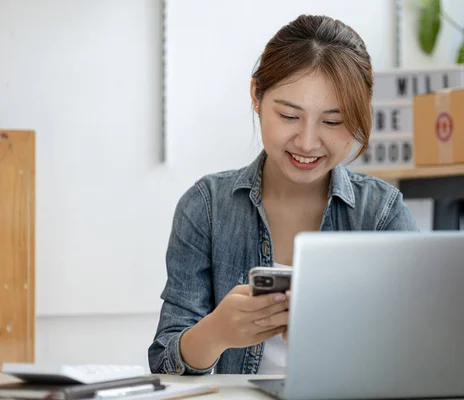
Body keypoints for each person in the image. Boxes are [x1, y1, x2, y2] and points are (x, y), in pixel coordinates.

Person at [148, 14, 418, 376]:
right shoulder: (206, 207)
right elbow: (164, 366)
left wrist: (339, 341)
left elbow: (416, 354)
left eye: (333, 122)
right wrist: (216, 333)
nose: (307, 142)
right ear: (256, 97)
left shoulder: (381, 214)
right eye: (290, 115)